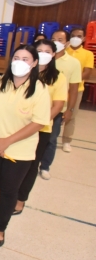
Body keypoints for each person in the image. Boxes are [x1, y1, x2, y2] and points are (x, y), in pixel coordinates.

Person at [0, 45, 50, 248]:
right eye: (16, 57)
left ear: (34, 63)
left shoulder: (40, 89)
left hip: (20, 152)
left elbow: (38, 123)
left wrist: (7, 141)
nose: (19, 62)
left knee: (9, 192)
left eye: (25, 59)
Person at [15, 40, 67, 214]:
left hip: (40, 129)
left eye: (47, 51)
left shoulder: (58, 77)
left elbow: (57, 106)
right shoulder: (24, 72)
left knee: (30, 166)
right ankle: (9, 195)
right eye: (39, 50)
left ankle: (20, 199)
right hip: (17, 127)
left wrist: (37, 123)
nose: (43, 53)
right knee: (13, 164)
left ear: (53, 54)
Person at [39, 30, 81, 180]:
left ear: (67, 43)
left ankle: (45, 166)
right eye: (53, 38)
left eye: (60, 39)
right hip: (36, 107)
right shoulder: (42, 58)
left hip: (56, 108)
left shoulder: (73, 63)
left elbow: (74, 88)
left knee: (51, 139)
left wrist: (70, 109)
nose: (56, 41)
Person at [62, 28, 93, 152]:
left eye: (79, 36)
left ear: (84, 38)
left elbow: (87, 72)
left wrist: (73, 80)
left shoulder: (88, 54)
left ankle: (67, 140)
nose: (75, 38)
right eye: (73, 36)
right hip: (61, 88)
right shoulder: (64, 51)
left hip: (77, 89)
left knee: (71, 115)